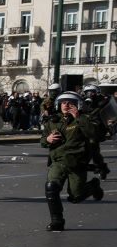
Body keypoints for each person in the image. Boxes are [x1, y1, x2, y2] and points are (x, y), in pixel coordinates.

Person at [41, 90, 105, 231]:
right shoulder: (53, 121)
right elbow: (43, 140)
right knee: (51, 188)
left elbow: (94, 134)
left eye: (70, 103)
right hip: (58, 161)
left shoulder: (84, 118)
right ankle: (57, 221)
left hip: (77, 163)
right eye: (63, 102)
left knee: (76, 197)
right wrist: (47, 139)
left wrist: (78, 117)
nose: (66, 105)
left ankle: (94, 186)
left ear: (77, 105)